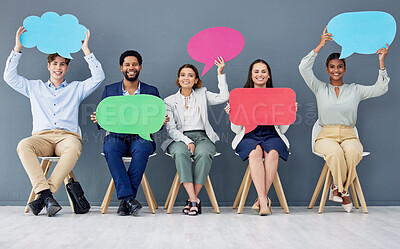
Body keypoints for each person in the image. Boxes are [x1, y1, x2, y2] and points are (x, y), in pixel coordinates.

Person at [3, 26, 105, 216]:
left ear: (67, 67)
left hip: (67, 137)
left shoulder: (76, 88)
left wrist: (86, 50)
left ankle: (43, 196)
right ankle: (46, 195)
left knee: (74, 147)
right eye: (55, 63)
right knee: (23, 145)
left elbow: (99, 77)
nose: (58, 67)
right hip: (42, 137)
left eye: (63, 64)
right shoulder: (34, 87)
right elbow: (9, 77)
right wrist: (17, 48)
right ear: (48, 66)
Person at [298, 27, 390, 212]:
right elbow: (303, 68)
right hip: (326, 136)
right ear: (327, 69)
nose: (336, 70)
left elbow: (381, 88)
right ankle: (343, 191)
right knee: (335, 153)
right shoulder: (320, 88)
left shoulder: (355, 89)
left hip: (349, 135)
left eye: (340, 66)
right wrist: (321, 45)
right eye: (332, 66)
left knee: (354, 152)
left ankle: (337, 187)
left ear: (345, 68)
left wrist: (381, 63)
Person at [91, 50, 168, 216]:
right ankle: (129, 199)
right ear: (121, 68)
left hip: (142, 136)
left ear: (140, 67)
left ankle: (126, 200)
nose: (131, 67)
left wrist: (161, 122)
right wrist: (99, 119)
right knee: (110, 148)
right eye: (127, 64)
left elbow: (156, 122)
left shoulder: (151, 91)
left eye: (134, 64)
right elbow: (104, 116)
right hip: (116, 136)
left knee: (141, 149)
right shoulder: (110, 90)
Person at [225, 59, 294, 216]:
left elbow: (282, 129)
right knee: (255, 153)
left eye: (263, 71)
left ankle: (261, 199)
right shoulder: (241, 95)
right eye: (256, 71)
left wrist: (288, 113)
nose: (260, 74)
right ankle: (264, 201)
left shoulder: (277, 96)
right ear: (251, 75)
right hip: (248, 135)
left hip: (272, 134)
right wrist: (232, 115)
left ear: (269, 75)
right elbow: (236, 130)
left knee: (273, 153)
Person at [161, 57, 228, 216]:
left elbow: (224, 97)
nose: (186, 78)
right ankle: (194, 200)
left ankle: (192, 200)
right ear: (178, 79)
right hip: (178, 138)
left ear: (196, 79)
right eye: (183, 75)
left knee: (204, 153)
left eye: (190, 75)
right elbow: (171, 129)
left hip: (202, 136)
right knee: (180, 152)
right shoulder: (169, 101)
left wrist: (220, 73)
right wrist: (187, 141)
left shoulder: (202, 94)